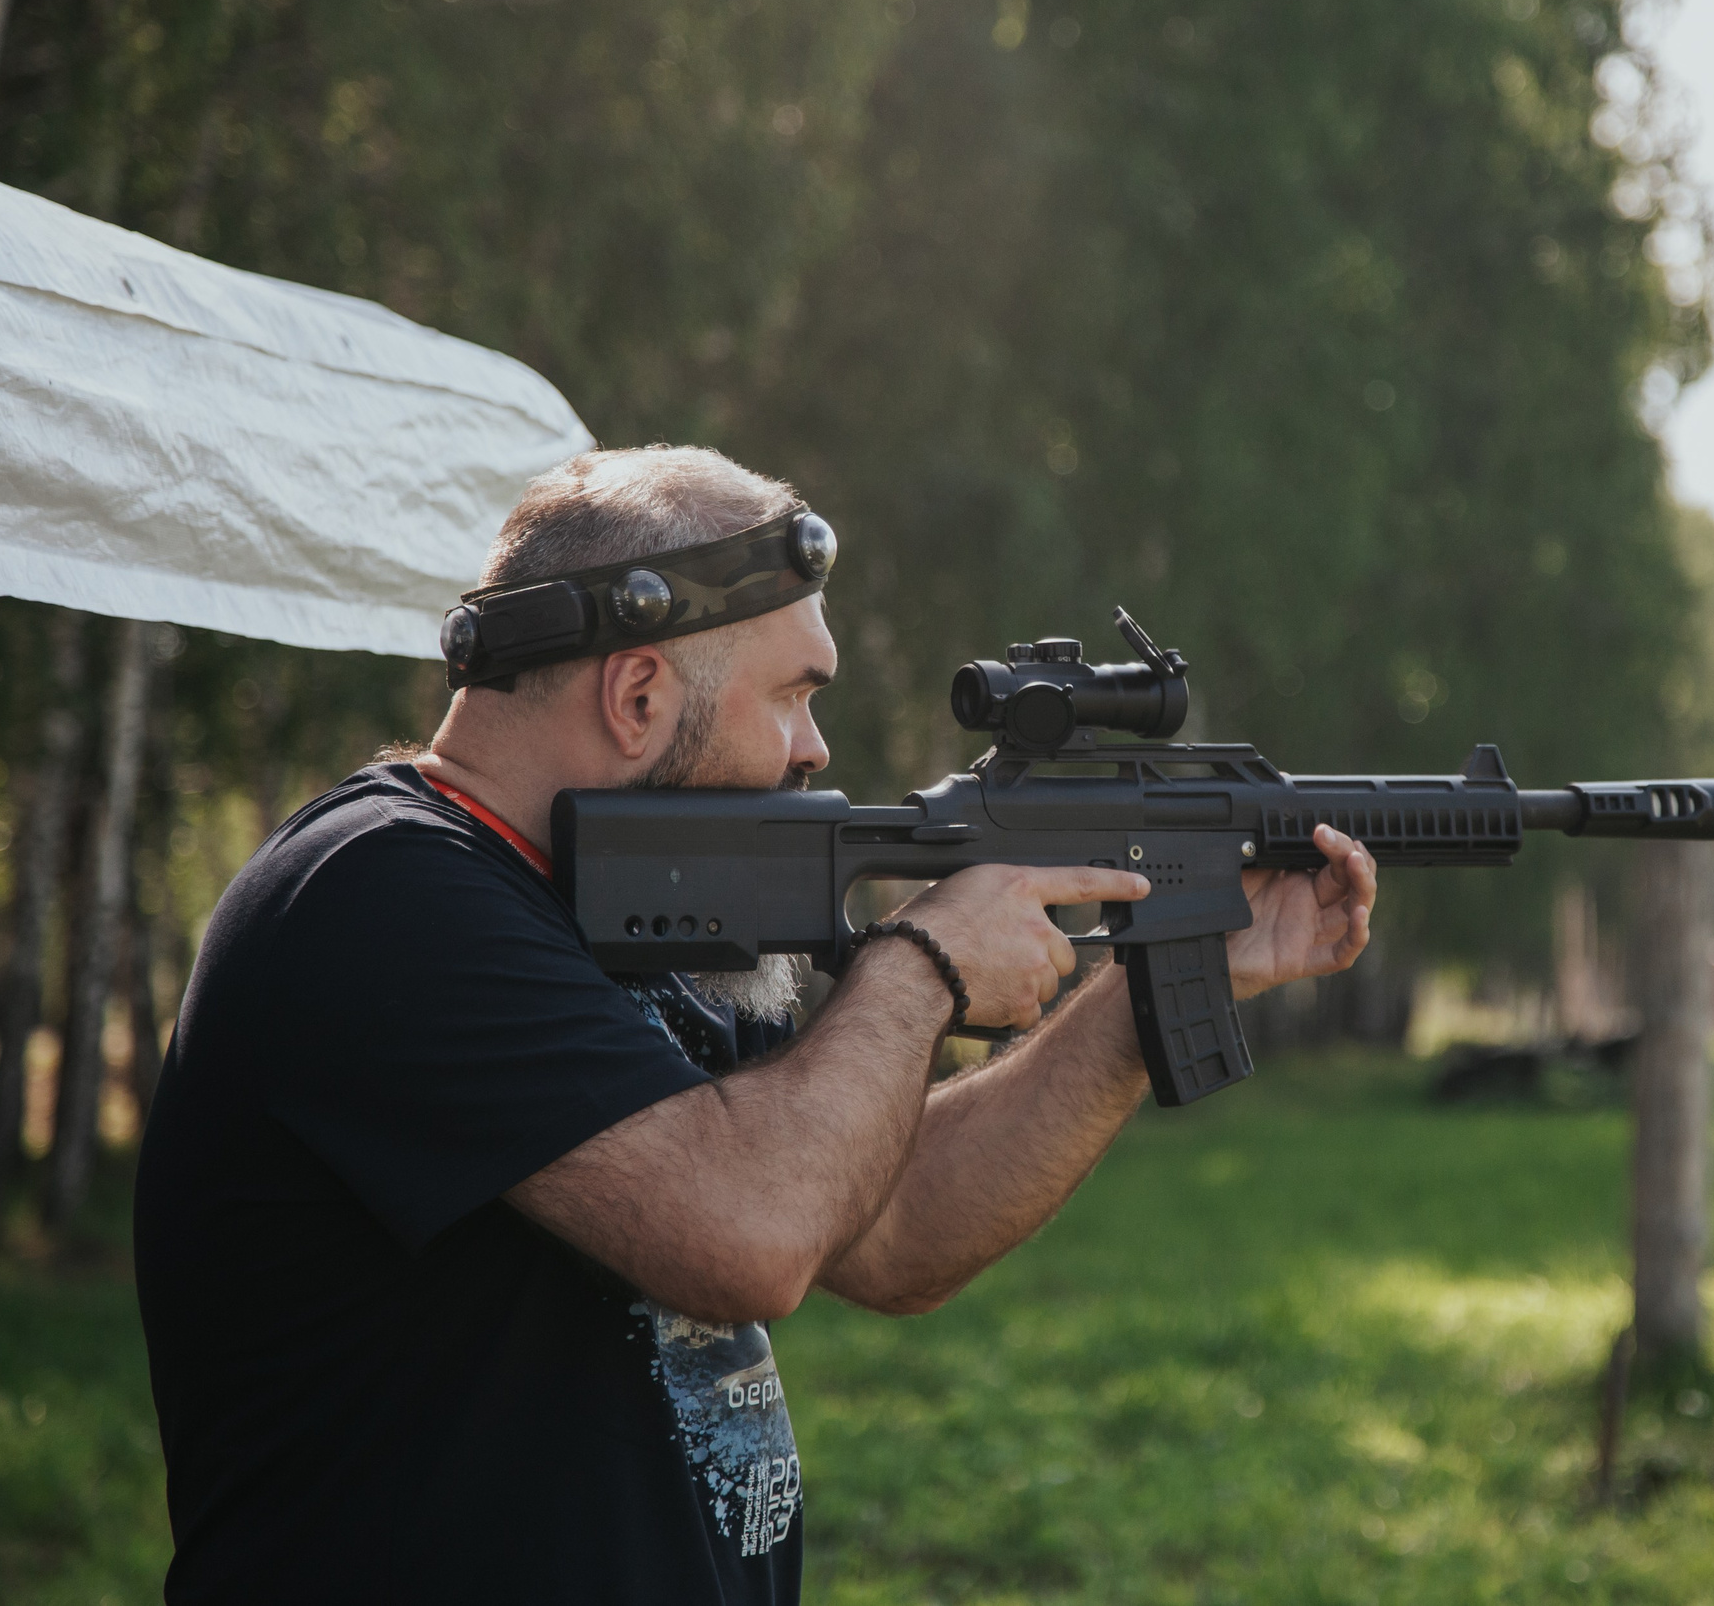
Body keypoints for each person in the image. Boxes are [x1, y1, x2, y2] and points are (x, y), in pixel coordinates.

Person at [134, 445, 1379, 1604]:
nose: (814, 746)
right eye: (791, 697)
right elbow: (752, 1238)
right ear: (636, 693)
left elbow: (884, 1227)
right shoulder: (378, 894)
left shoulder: (595, 905)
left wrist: (1137, 1002)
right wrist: (925, 961)